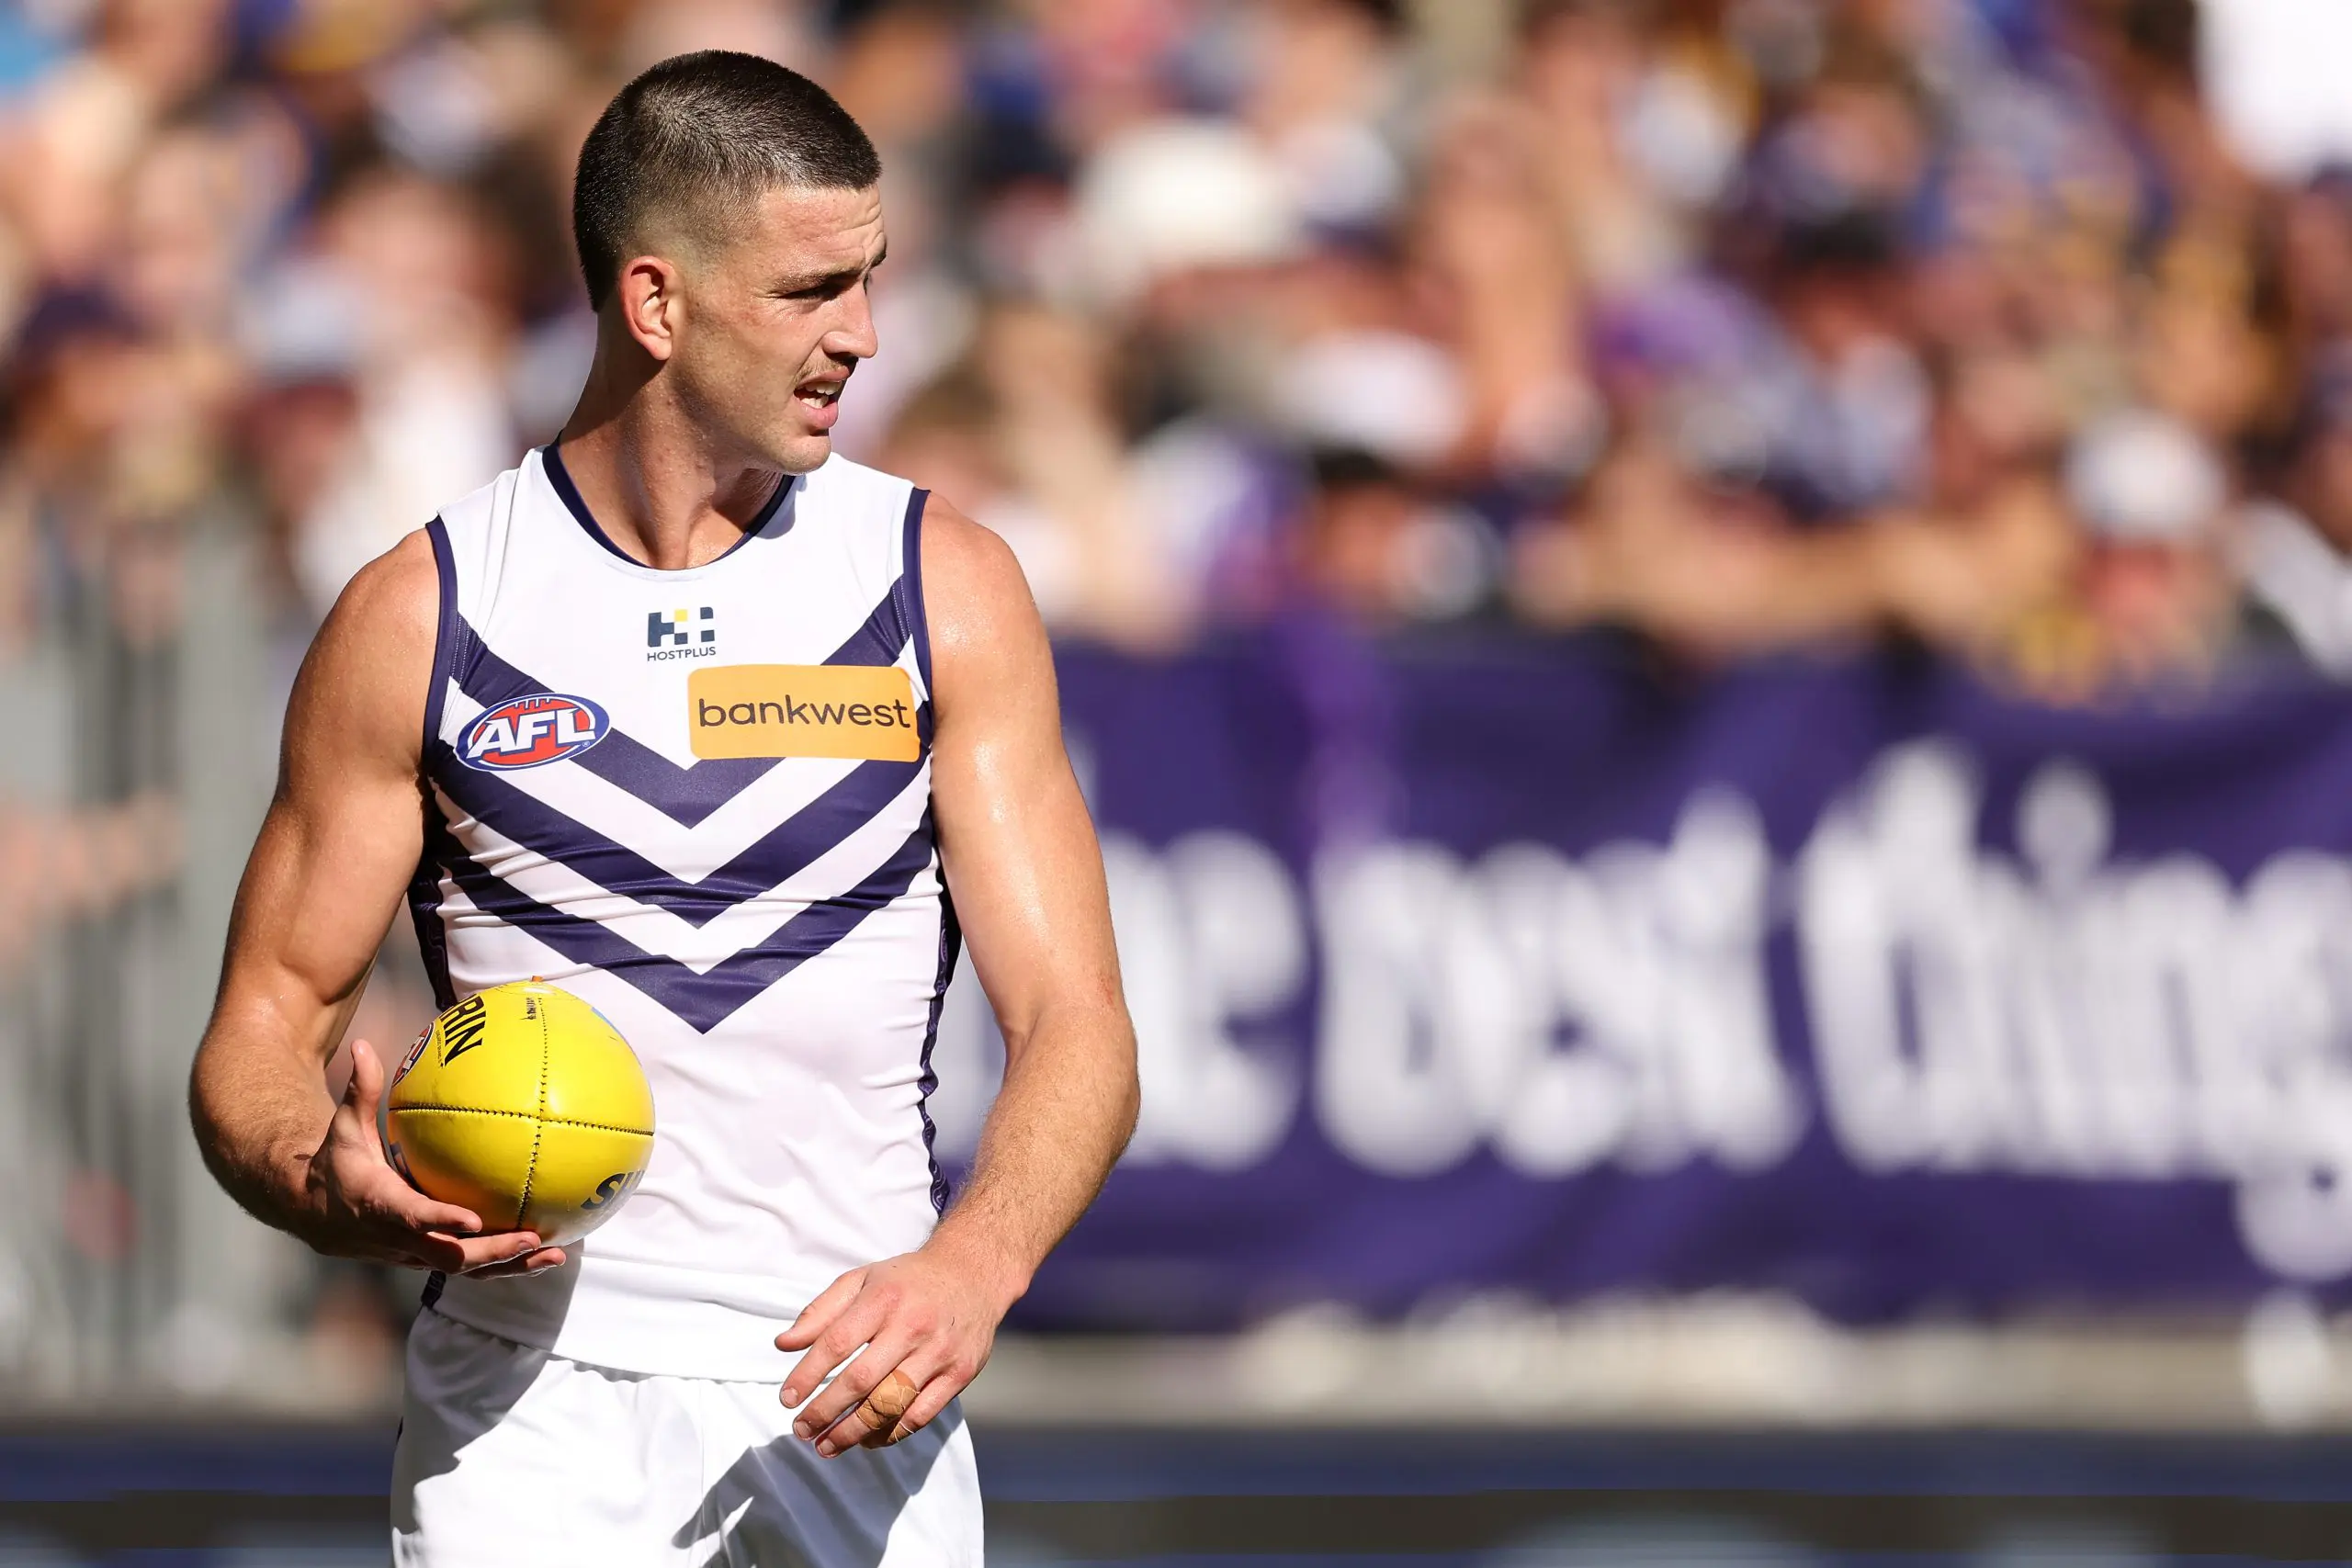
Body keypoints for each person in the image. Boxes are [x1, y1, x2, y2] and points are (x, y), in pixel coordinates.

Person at [187, 51, 1140, 1566]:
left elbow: (1079, 1022)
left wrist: (974, 1266)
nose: (865, 336)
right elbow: (258, 1035)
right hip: (528, 1403)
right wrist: (329, 1180)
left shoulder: (939, 589)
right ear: (656, 303)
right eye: (813, 291)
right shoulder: (423, 615)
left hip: (851, 1384)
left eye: (873, 281)